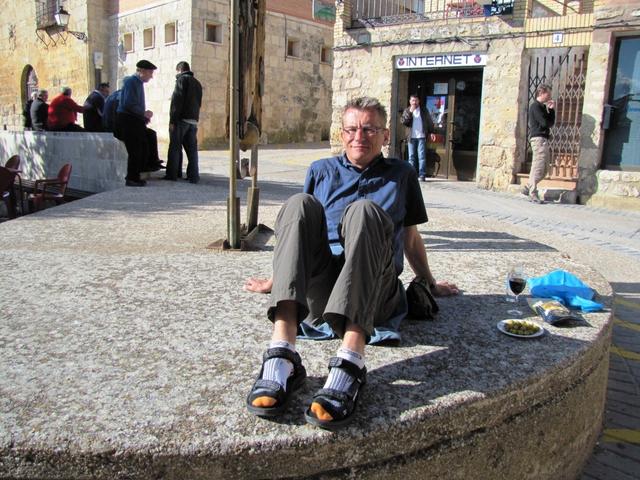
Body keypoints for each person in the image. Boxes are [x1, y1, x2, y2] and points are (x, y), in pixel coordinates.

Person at [244, 97, 459, 430]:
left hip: (376, 290)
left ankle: (351, 359)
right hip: (324, 288)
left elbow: (411, 238)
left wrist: (429, 282)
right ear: (342, 134)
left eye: (370, 129)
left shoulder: (402, 175)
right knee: (298, 204)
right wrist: (277, 282)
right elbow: (297, 234)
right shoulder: (320, 170)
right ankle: (283, 352)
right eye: (352, 129)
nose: (360, 136)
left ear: (385, 134)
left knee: (364, 211)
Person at [115, 60, 157, 187]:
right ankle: (132, 178)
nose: (151, 76)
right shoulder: (131, 82)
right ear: (142, 71)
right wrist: (143, 113)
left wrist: (143, 115)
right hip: (128, 120)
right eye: (150, 73)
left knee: (142, 146)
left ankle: (136, 175)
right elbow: (128, 104)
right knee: (135, 149)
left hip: (134, 119)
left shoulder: (137, 83)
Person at [164, 61, 203, 183]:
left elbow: (177, 101)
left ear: (179, 70)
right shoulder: (197, 83)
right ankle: (193, 176)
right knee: (192, 150)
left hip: (181, 120)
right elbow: (199, 103)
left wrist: (172, 120)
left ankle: (172, 174)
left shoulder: (181, 80)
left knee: (175, 147)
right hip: (193, 121)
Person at [523, 84, 555, 204]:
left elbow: (550, 123)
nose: (550, 96)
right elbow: (545, 123)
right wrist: (548, 114)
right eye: (548, 94)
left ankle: (528, 187)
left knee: (545, 168)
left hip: (544, 139)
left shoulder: (542, 107)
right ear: (541, 93)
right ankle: (532, 193)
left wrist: (551, 110)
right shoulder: (535, 106)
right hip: (538, 139)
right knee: (538, 166)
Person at [401, 94, 435, 182]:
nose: (414, 102)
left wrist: (431, 132)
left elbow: (429, 121)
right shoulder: (407, 110)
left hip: (421, 137)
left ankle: (422, 175)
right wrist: (410, 112)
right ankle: (412, 176)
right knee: (411, 157)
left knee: (421, 157)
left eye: (416, 100)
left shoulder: (423, 110)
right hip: (411, 137)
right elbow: (404, 122)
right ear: (410, 101)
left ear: (418, 101)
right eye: (413, 100)